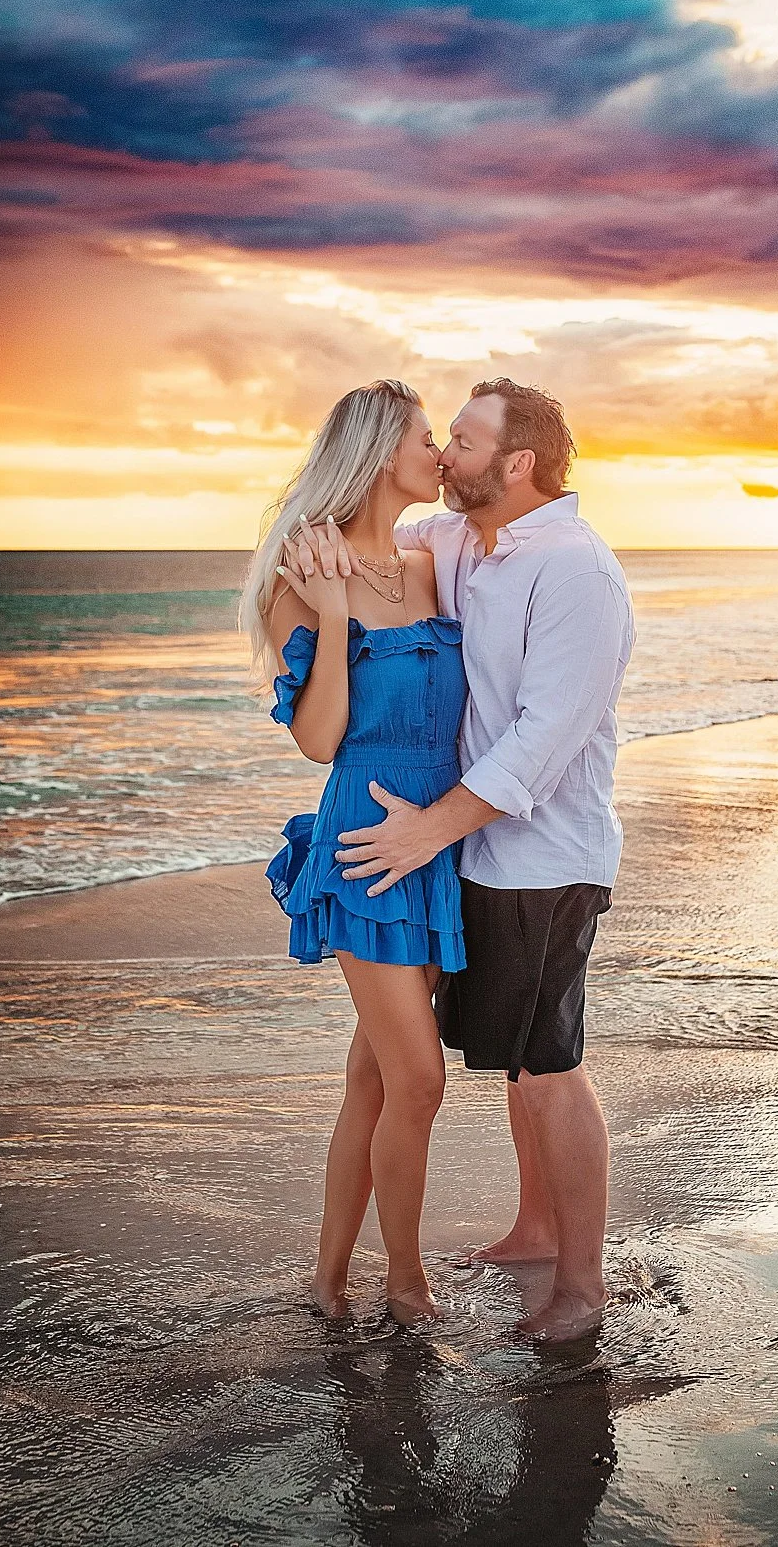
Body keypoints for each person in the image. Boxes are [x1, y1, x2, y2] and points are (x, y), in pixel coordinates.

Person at [334, 379, 634, 1342]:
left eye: (463, 442)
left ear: (519, 465)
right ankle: (535, 1227)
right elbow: (386, 549)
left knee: (550, 1065)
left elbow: (544, 739)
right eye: (446, 438)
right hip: (479, 854)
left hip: (546, 856)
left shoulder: (578, 572)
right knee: (511, 1060)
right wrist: (311, 546)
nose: (447, 456)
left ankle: (582, 1283)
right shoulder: (465, 539)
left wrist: (426, 829)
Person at [239, 379, 467, 1325]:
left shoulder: (426, 565)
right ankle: (403, 1285)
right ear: (379, 454)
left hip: (439, 839)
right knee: (418, 1080)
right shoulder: (303, 579)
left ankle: (327, 1284)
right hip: (368, 847)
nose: (441, 453)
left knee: (374, 1078)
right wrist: (333, 613)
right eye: (425, 438)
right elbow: (320, 739)